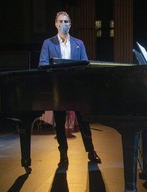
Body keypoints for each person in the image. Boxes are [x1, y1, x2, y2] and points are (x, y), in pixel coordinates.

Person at [39, 11, 101, 167]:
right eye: (60, 21)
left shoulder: (79, 43)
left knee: (84, 122)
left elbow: (85, 64)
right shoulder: (48, 43)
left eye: (66, 21)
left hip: (76, 90)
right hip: (59, 89)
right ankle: (63, 154)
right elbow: (42, 64)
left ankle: (91, 151)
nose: (63, 24)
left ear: (70, 24)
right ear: (55, 24)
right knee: (59, 123)